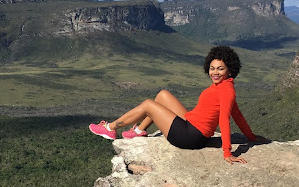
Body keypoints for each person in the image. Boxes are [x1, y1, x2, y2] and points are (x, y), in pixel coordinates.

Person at [89, 45, 268, 164]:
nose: (215, 72)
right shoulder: (225, 86)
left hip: (190, 137)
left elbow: (226, 119)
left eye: (220, 68)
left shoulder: (226, 90)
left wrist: (228, 153)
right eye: (212, 68)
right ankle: (138, 131)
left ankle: (111, 128)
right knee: (163, 95)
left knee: (148, 105)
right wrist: (250, 136)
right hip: (191, 125)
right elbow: (238, 114)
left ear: (230, 69)